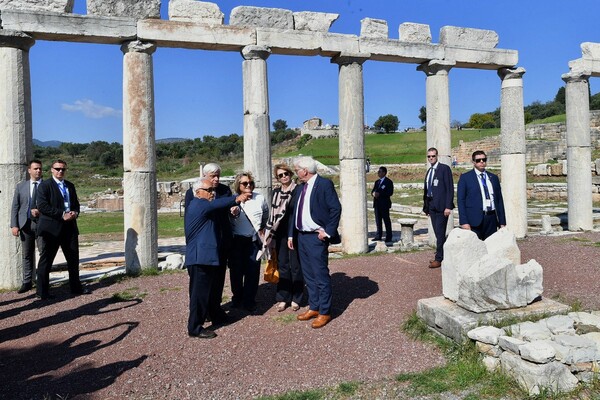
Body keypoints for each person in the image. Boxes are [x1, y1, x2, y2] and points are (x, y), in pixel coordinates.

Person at [185, 178, 251, 339]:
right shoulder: (198, 204)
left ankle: (216, 315)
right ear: (198, 192)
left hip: (207, 256)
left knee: (212, 290)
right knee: (199, 294)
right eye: (209, 190)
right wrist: (236, 198)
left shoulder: (205, 205)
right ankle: (195, 327)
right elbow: (217, 204)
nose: (212, 193)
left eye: (213, 190)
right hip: (200, 258)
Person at [288, 156, 341, 329]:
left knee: (320, 274)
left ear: (304, 170)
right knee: (309, 275)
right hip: (301, 236)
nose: (296, 173)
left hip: (316, 237)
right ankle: (314, 307)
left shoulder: (324, 184)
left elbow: (335, 208)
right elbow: (293, 212)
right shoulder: (301, 187)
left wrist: (328, 232)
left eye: (297, 170)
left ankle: (325, 311)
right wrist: (291, 235)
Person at [184, 163, 232, 323]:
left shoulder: (225, 191)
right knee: (200, 284)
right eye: (213, 176)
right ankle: (200, 314)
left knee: (218, 280)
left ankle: (215, 310)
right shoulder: (193, 194)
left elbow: (230, 213)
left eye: (218, 175)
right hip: (203, 245)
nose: (216, 179)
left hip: (221, 241)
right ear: (204, 177)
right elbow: (190, 220)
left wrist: (235, 211)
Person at [36, 159, 88, 300]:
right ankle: (42, 292)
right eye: (58, 169)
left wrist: (75, 213)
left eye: (63, 169)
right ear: (51, 170)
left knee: (73, 259)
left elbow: (76, 204)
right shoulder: (45, 186)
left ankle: (76, 288)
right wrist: (61, 214)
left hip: (69, 228)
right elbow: (42, 206)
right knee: (46, 260)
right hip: (51, 229)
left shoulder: (70, 186)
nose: (60, 171)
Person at [262, 163, 303, 312]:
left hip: (294, 233)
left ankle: (297, 297)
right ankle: (283, 297)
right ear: (277, 178)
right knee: (283, 266)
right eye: (280, 175)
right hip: (279, 234)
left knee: (296, 266)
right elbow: (272, 215)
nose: (284, 177)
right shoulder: (276, 192)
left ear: (290, 174)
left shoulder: (298, 190)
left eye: (286, 173)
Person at [229, 172, 269, 312]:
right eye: (245, 183)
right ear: (238, 185)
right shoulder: (233, 199)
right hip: (237, 241)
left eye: (250, 183)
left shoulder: (260, 198)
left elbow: (265, 215)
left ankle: (249, 300)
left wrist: (261, 229)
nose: (248, 185)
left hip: (253, 240)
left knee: (252, 272)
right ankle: (237, 298)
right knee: (236, 272)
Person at [10, 160, 44, 293]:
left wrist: (41, 212)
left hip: (43, 225)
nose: (38, 171)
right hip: (26, 225)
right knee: (27, 255)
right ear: (29, 170)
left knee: (44, 254)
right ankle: (27, 282)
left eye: (40, 169)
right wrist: (14, 225)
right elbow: (15, 207)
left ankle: (42, 282)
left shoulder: (47, 186)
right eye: (35, 168)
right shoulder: (21, 187)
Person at [457, 150, 506, 240]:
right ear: (473, 162)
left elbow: (499, 200)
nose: (482, 162)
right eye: (478, 160)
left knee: (491, 247)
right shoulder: (465, 178)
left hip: (491, 218)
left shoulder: (493, 178)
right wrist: (464, 222)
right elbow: (461, 200)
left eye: (484, 159)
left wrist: (502, 221)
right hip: (474, 219)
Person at [422, 148, 454, 269]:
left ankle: (439, 259)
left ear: (437, 156)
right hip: (431, 206)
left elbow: (449, 188)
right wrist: (426, 208)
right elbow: (427, 190)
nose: (431, 158)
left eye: (433, 156)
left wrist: (448, 206)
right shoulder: (429, 171)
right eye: (429, 156)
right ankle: (443, 255)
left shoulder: (444, 169)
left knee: (440, 233)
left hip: (442, 207)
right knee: (437, 233)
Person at [371, 166, 394, 242]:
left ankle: (389, 236)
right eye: (378, 171)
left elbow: (390, 192)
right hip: (377, 204)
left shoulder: (388, 182)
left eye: (380, 171)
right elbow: (373, 191)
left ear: (384, 173)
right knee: (378, 221)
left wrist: (380, 194)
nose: (378, 173)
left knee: (386, 220)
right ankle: (378, 235)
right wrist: (373, 193)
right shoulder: (377, 182)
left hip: (384, 204)